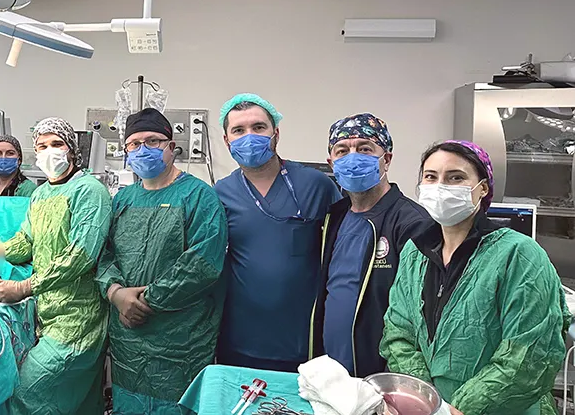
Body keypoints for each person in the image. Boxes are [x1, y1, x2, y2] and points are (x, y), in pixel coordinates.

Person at [381, 140, 570, 415]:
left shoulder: (518, 255)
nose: (440, 186)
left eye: (455, 177)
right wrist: (428, 400)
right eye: (431, 177)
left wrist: (459, 409)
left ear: (482, 188)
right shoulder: (415, 253)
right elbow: (398, 334)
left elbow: (529, 354)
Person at [97, 109, 228, 414]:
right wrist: (116, 293)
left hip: (179, 343)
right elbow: (104, 254)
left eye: (153, 141)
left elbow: (201, 264)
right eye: (134, 144)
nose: (143, 149)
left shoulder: (199, 196)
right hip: (128, 344)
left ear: (172, 146)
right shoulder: (123, 200)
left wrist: (143, 302)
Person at [0, 117, 112, 415]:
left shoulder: (89, 190)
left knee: (26, 392)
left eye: (57, 144)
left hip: (79, 319)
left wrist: (23, 287)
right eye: (42, 146)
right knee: (80, 402)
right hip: (47, 313)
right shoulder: (41, 193)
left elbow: (81, 256)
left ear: (72, 150)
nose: (49, 152)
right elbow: (26, 242)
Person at [215, 93, 341, 372]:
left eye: (259, 127)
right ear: (227, 140)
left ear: (276, 133)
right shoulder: (220, 193)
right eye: (239, 130)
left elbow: (344, 249)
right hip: (240, 338)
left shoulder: (316, 185)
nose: (249, 136)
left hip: (304, 339)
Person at [310, 113, 431, 377]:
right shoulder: (334, 217)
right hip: (331, 371)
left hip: (381, 373)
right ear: (331, 163)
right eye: (342, 151)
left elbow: (421, 313)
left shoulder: (412, 223)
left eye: (365, 149)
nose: (352, 157)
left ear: (386, 158)